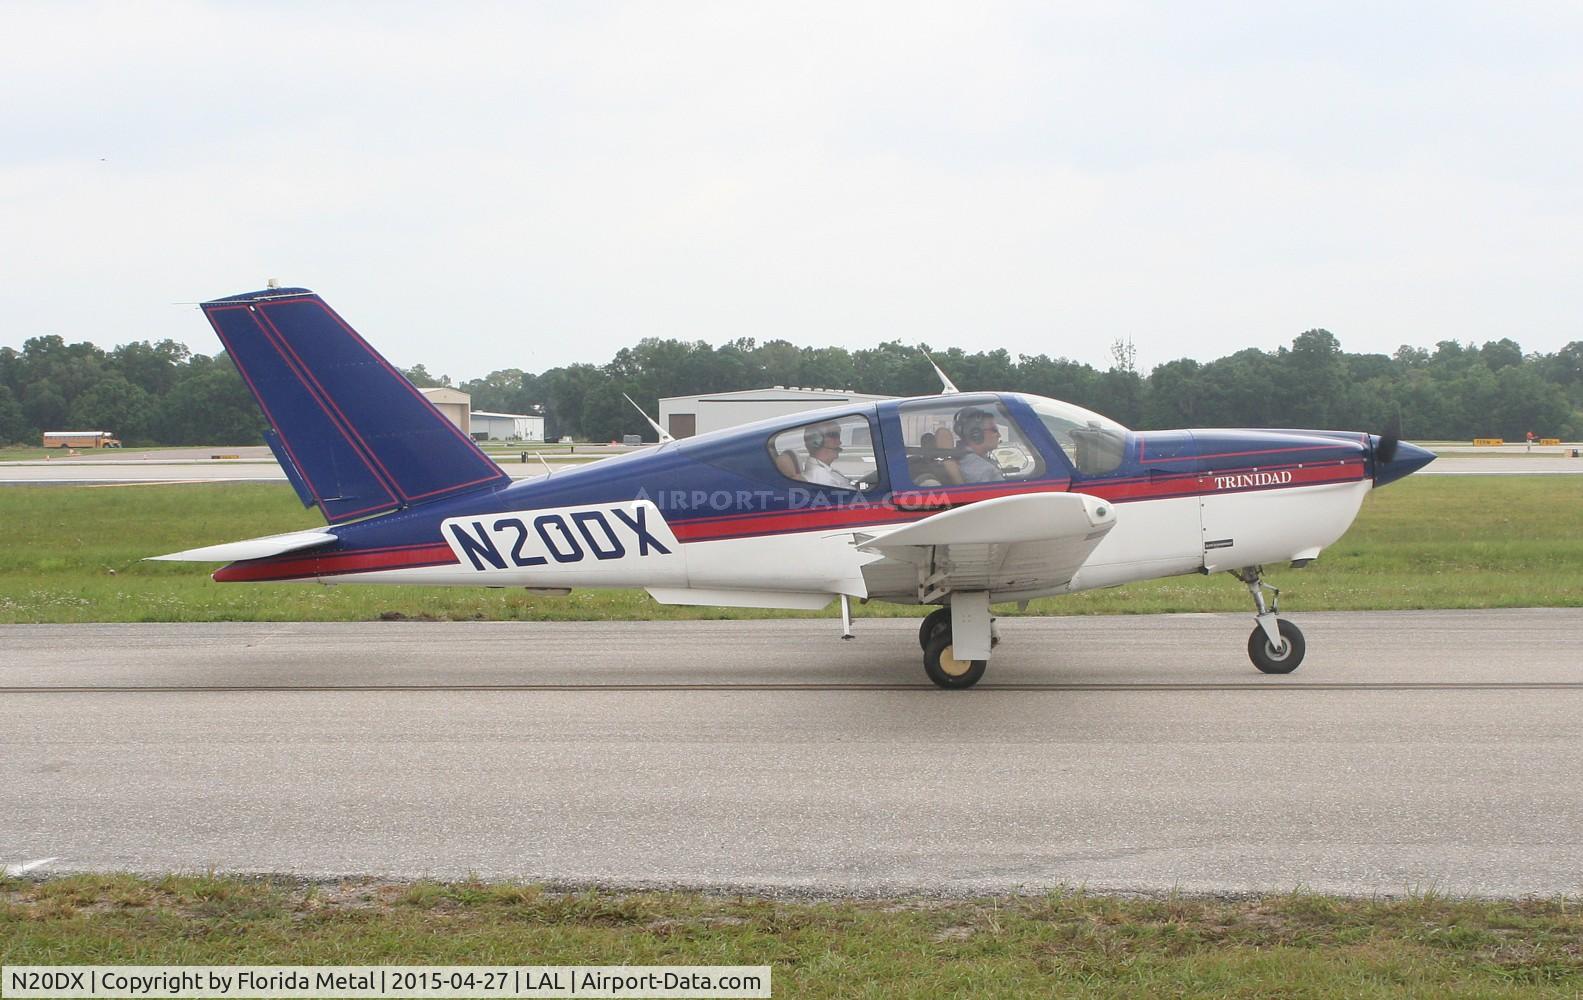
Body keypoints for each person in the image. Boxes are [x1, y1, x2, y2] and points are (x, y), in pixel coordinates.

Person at [953, 407, 1004, 483]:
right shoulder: (983, 470)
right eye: (994, 430)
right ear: (976, 434)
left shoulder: (970, 460)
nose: (999, 435)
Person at [801, 422, 855, 488]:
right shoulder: (823, 479)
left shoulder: (822, 471)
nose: (839, 442)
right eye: (835, 435)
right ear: (817, 441)